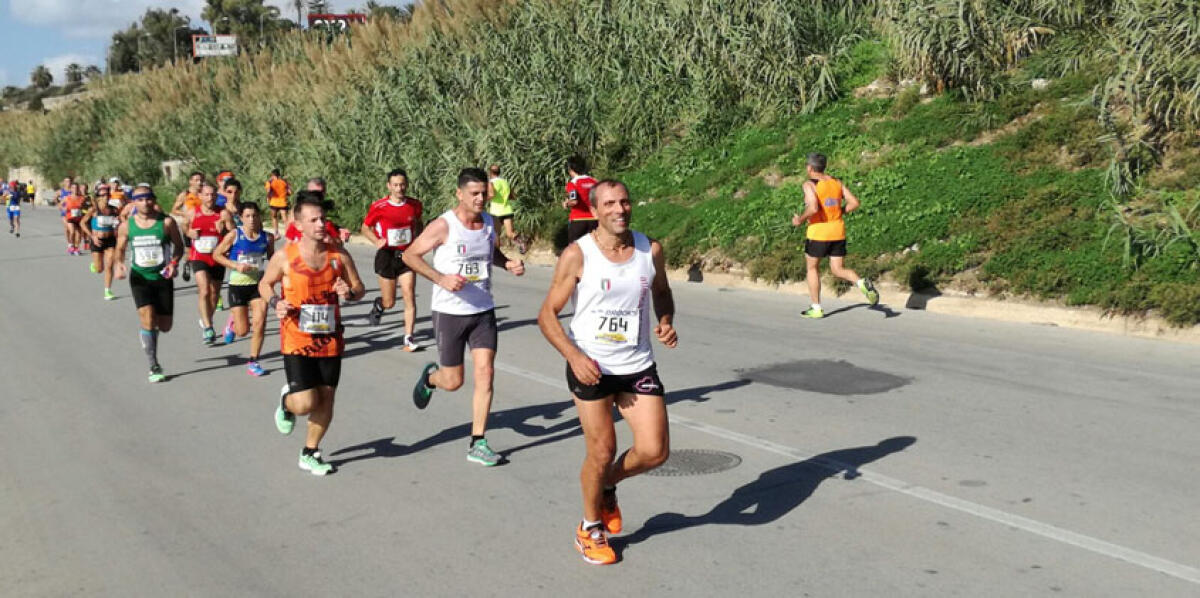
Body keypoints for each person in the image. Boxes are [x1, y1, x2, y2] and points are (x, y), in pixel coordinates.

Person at [537, 179, 678, 566]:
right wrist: (574, 356)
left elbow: (662, 291)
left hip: (637, 364)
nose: (620, 209)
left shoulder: (650, 250)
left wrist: (665, 320)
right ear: (595, 210)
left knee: (654, 451)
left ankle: (608, 484)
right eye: (610, 203)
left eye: (625, 202)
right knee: (602, 452)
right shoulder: (577, 254)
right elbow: (546, 315)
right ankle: (589, 528)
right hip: (591, 367)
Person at [403, 167, 525, 467]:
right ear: (459, 194)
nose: (480, 199)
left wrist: (507, 263)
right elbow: (409, 255)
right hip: (450, 312)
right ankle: (430, 379)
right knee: (453, 381)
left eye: (484, 193)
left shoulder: (489, 223)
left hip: (483, 310)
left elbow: (489, 255)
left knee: (486, 372)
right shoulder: (443, 225)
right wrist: (441, 278)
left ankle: (478, 441)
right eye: (474, 194)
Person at [259, 191, 365, 476]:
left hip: (330, 339)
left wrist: (349, 292)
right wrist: (275, 302)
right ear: (299, 224)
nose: (320, 224)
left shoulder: (338, 255)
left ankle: (310, 451)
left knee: (326, 398)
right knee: (306, 402)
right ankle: (287, 402)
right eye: (313, 220)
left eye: (323, 219)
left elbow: (359, 288)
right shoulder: (285, 256)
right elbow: (265, 284)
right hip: (296, 339)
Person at [790, 153, 878, 318]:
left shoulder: (809, 184)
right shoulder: (836, 182)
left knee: (812, 268)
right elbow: (854, 203)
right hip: (837, 231)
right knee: (838, 269)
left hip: (819, 232)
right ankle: (861, 282)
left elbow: (814, 208)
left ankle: (816, 308)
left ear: (810, 168)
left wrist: (799, 220)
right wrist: (839, 212)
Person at [114, 186, 186, 383]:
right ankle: (153, 365)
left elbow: (179, 246)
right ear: (133, 202)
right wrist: (119, 264)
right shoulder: (126, 226)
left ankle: (149, 336)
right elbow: (120, 248)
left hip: (162, 278)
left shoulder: (166, 223)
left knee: (165, 326)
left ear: (153, 199)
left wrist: (173, 263)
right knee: (147, 318)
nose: (145, 203)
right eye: (140, 199)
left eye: (148, 199)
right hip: (140, 277)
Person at [362, 168, 423, 350]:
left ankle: (408, 338)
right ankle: (379, 305)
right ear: (389, 186)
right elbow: (365, 227)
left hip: (406, 255)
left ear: (407, 185)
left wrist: (418, 240)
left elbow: (418, 222)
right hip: (387, 255)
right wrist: (376, 240)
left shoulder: (414, 205)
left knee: (409, 294)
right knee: (390, 302)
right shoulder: (379, 206)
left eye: (402, 185)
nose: (399, 188)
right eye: (395, 185)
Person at [214, 202, 274, 375]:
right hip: (238, 286)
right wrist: (235, 265)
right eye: (247, 216)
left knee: (260, 323)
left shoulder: (267, 237)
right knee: (242, 331)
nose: (252, 219)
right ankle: (232, 323)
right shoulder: (235, 235)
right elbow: (216, 255)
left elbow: (273, 259)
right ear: (241, 218)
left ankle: (253, 361)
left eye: (255, 215)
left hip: (258, 285)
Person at [186, 183, 234, 344]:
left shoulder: (223, 213)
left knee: (214, 293)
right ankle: (208, 328)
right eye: (206, 194)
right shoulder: (193, 213)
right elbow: (184, 229)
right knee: (204, 289)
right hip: (199, 256)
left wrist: (224, 230)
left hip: (217, 257)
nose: (210, 198)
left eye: (213, 194)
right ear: (200, 196)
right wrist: (189, 233)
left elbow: (234, 234)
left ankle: (208, 319)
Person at [82, 186, 122, 300]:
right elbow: (82, 223)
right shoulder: (94, 210)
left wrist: (118, 227)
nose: (106, 197)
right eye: (103, 195)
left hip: (110, 241)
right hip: (97, 241)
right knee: (100, 269)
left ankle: (107, 291)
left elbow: (119, 222)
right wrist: (92, 236)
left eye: (108, 195)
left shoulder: (114, 210)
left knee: (109, 266)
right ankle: (95, 266)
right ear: (98, 197)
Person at [283, 177, 350, 245]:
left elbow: (328, 226)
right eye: (313, 193)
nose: (316, 196)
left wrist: (339, 231)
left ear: (324, 192)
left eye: (320, 193)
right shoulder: (299, 209)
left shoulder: (326, 207)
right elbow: (289, 236)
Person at [172, 171, 205, 282]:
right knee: (189, 250)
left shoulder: (205, 194)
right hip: (188, 226)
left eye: (201, 180)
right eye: (196, 180)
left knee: (203, 249)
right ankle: (187, 264)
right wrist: (185, 214)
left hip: (202, 225)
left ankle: (203, 270)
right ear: (190, 181)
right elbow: (174, 209)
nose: (199, 182)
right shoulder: (185, 195)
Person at [487, 164, 526, 254]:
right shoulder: (505, 182)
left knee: (496, 234)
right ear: (499, 172)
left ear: (490, 172)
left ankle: (497, 254)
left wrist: (484, 199)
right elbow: (513, 196)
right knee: (510, 233)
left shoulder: (491, 182)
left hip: (496, 212)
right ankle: (521, 242)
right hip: (507, 210)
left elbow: (491, 194)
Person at [564, 156, 599, 244]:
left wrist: (566, 204)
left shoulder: (573, 183)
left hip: (578, 221)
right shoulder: (594, 181)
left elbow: (574, 201)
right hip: (594, 220)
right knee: (594, 247)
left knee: (574, 249)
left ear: (570, 170)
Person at [62, 183, 87, 255]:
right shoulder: (67, 198)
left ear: (78, 189)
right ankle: (71, 245)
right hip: (70, 218)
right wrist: (64, 209)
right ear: (71, 189)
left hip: (78, 218)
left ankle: (76, 248)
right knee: (72, 231)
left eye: (76, 188)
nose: (75, 189)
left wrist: (84, 211)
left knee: (79, 234)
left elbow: (85, 207)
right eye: (73, 188)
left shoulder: (82, 198)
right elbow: (61, 205)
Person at [265, 169, 291, 237]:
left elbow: (268, 191)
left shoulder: (269, 182)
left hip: (273, 202)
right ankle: (288, 233)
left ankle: (276, 233)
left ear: (272, 175)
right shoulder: (285, 181)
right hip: (283, 202)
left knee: (274, 217)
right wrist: (284, 193)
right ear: (279, 175)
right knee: (285, 218)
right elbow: (289, 192)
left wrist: (268, 197)